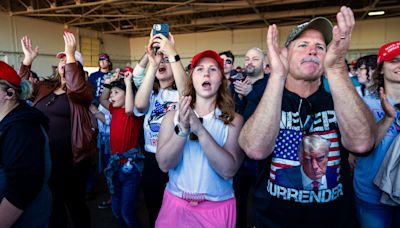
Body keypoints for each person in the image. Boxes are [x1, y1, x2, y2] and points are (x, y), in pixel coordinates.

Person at [238, 6, 375, 227]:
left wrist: (337, 67)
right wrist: (277, 74)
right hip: (272, 221)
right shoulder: (265, 99)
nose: (312, 51)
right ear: (285, 55)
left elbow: (362, 143)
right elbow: (255, 148)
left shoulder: (339, 100)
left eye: (320, 47)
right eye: (303, 45)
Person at [155, 50, 244, 227]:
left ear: (221, 80)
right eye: (200, 69)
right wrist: (183, 129)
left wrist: (200, 130)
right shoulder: (171, 117)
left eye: (213, 69)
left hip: (216, 208)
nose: (206, 73)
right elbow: (164, 164)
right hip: (175, 205)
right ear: (192, 78)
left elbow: (228, 170)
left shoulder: (234, 120)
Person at [19, 32, 96, 228]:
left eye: (68, 59)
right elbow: (19, 90)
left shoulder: (84, 91)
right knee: (53, 206)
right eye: (61, 58)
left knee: (75, 204)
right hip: (45, 156)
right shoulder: (45, 87)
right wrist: (27, 62)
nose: (63, 61)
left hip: (73, 159)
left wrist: (72, 55)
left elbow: (76, 88)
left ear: (76, 67)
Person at [134, 31, 187, 227]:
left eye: (167, 61)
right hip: (151, 158)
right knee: (154, 208)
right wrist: (152, 63)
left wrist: (171, 53)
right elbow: (139, 106)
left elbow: (187, 91)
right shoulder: (150, 92)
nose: (162, 62)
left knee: (179, 210)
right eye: (160, 60)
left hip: (179, 157)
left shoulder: (181, 93)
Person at [352, 40, 400, 228]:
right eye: (394, 60)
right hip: (372, 195)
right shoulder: (363, 103)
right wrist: (388, 118)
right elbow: (364, 146)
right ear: (380, 68)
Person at [0, 61, 52, 227]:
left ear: (9, 93)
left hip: (24, 220)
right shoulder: (8, 121)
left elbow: (21, 189)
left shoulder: (22, 129)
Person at [230, 47, 269, 228]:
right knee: (238, 198)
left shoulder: (270, 84)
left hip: (262, 153)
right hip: (239, 151)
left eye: (255, 59)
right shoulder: (237, 83)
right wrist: (239, 97)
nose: (250, 62)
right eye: (247, 58)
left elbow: (269, 111)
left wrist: (250, 94)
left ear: (264, 63)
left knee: (263, 199)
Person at [101, 70, 144, 227]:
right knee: (116, 210)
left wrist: (127, 83)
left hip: (129, 168)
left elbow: (129, 108)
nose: (111, 96)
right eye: (112, 92)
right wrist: (110, 84)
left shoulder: (134, 112)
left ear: (127, 94)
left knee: (127, 213)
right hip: (114, 165)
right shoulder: (114, 108)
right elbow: (102, 98)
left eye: (116, 92)